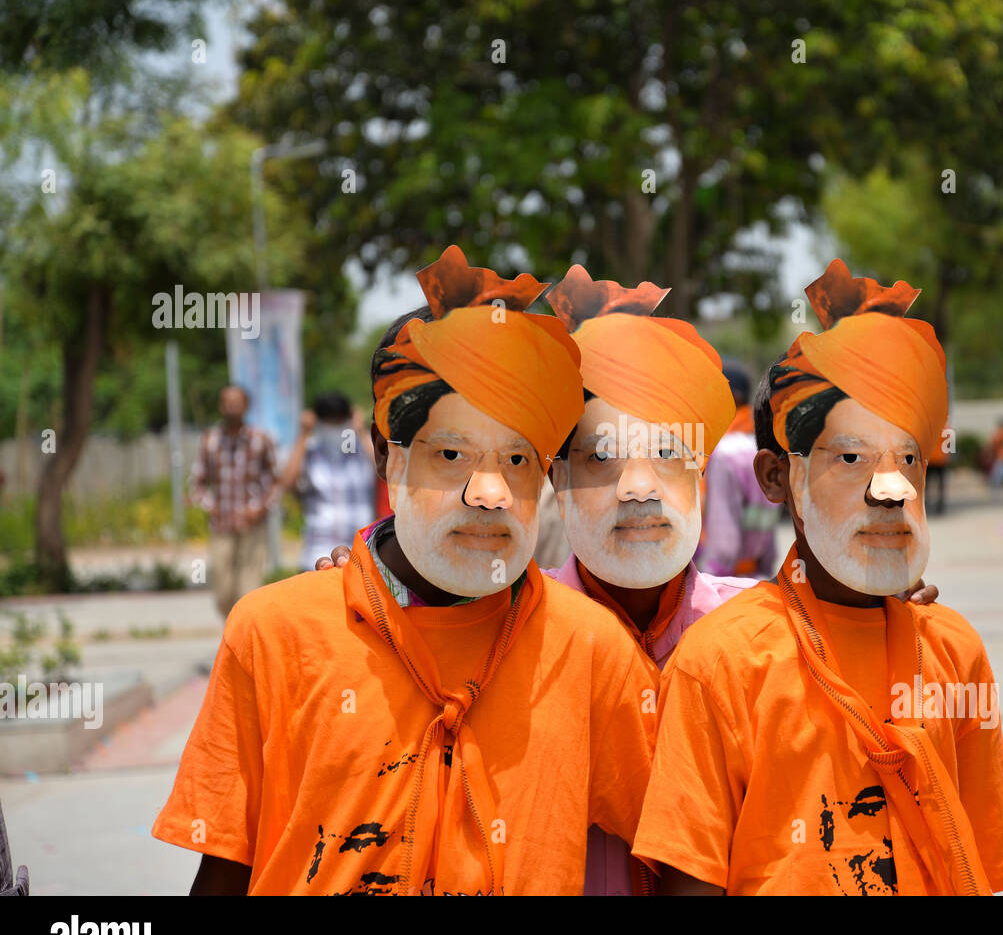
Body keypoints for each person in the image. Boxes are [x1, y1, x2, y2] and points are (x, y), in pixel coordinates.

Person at [315, 265, 942, 896]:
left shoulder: (771, 636)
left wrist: (873, 611)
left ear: (702, 472)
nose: (637, 488)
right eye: (601, 458)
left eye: (668, 454)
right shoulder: (513, 638)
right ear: (553, 473)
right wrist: (380, 586)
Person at [153, 246, 656, 895]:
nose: (490, 493)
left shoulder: (590, 651)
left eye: (518, 459)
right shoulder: (274, 635)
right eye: (451, 452)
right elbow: (222, 870)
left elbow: (681, 849)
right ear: (384, 453)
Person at [632, 259, 1003, 895]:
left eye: (907, 457)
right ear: (774, 479)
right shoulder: (720, 662)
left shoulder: (955, 651)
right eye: (850, 458)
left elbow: (982, 864)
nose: (890, 489)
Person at [189, 384, 277, 618]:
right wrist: (211, 506)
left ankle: (244, 644)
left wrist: (258, 509)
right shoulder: (210, 441)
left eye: (236, 402)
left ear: (246, 406)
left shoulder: (260, 441)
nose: (232, 407)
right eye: (227, 402)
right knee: (223, 590)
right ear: (220, 406)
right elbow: (196, 484)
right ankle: (234, 632)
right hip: (221, 526)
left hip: (252, 527)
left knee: (249, 591)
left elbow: (274, 483)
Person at [694, 359, 782, 578]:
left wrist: (710, 583)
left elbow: (724, 545)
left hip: (723, 583)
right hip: (757, 578)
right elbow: (770, 534)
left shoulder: (723, 453)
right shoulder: (762, 445)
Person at [279, 392, 376, 572]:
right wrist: (303, 434)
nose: (334, 428)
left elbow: (384, 472)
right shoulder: (309, 451)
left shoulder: (361, 450)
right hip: (317, 553)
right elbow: (286, 483)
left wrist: (362, 431)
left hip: (361, 552)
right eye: (329, 422)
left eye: (339, 422)